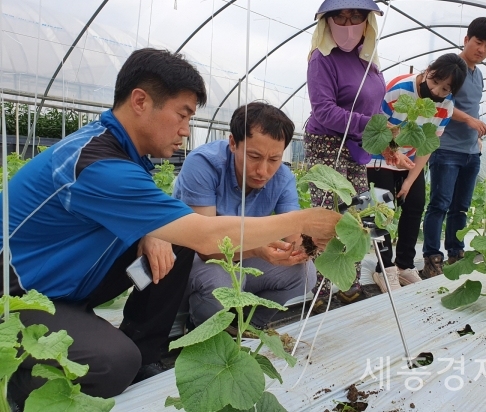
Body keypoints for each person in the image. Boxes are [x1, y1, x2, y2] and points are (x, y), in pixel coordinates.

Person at [0, 48, 340, 408]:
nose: (185, 130)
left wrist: (153, 231)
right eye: (182, 115)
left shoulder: (121, 154)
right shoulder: (96, 163)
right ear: (141, 101)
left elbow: (161, 219)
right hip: (16, 295)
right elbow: (207, 235)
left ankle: (144, 351)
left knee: (171, 241)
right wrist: (303, 221)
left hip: (65, 288)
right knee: (113, 364)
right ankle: (16, 387)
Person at [304, 0, 410, 310]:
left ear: (368, 22)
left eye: (356, 16)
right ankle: (320, 296)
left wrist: (388, 148)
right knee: (326, 219)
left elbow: (372, 113)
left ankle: (348, 287)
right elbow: (324, 110)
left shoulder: (370, 64)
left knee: (359, 218)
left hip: (357, 149)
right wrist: (377, 128)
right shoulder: (322, 59)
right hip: (326, 146)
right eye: (341, 17)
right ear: (327, 22)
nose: (349, 25)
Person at [173, 102, 316, 330]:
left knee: (305, 273)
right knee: (222, 282)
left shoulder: (283, 177)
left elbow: (294, 235)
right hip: (192, 259)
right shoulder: (204, 164)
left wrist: (312, 245)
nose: (263, 171)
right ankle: (202, 328)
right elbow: (205, 245)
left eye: (273, 159)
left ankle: (247, 327)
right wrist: (258, 249)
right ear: (233, 143)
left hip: (242, 257)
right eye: (254, 156)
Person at [367, 54, 467, 289]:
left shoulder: (446, 106)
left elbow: (426, 145)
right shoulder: (399, 89)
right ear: (429, 70)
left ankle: (404, 265)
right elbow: (376, 128)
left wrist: (410, 181)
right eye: (434, 81)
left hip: (410, 159)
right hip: (378, 156)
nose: (436, 91)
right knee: (383, 211)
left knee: (414, 205)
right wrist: (393, 154)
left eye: (445, 89)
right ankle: (384, 268)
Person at [421, 17, 486, 277]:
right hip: (446, 150)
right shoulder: (451, 68)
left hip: (470, 153)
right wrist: (468, 119)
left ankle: (456, 252)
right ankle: (432, 257)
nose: (483, 50)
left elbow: (471, 107)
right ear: (466, 40)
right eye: (479, 42)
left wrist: (475, 137)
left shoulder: (478, 75)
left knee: (460, 208)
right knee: (439, 205)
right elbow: (437, 100)